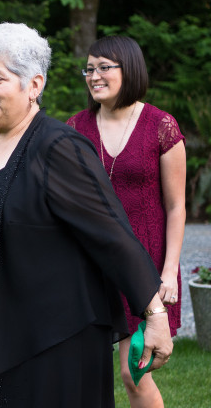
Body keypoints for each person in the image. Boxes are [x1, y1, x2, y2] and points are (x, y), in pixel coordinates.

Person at [0, 23, 173, 407]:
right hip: (0, 334)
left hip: (57, 341)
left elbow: (112, 234)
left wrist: (155, 314)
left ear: (34, 85)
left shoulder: (59, 147)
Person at [67, 36, 186, 408]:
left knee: (134, 373)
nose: (94, 76)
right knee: (81, 376)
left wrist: (168, 273)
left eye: (104, 67)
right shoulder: (75, 127)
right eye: (89, 69)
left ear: (129, 69)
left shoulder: (160, 126)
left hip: (144, 267)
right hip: (90, 266)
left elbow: (176, 207)